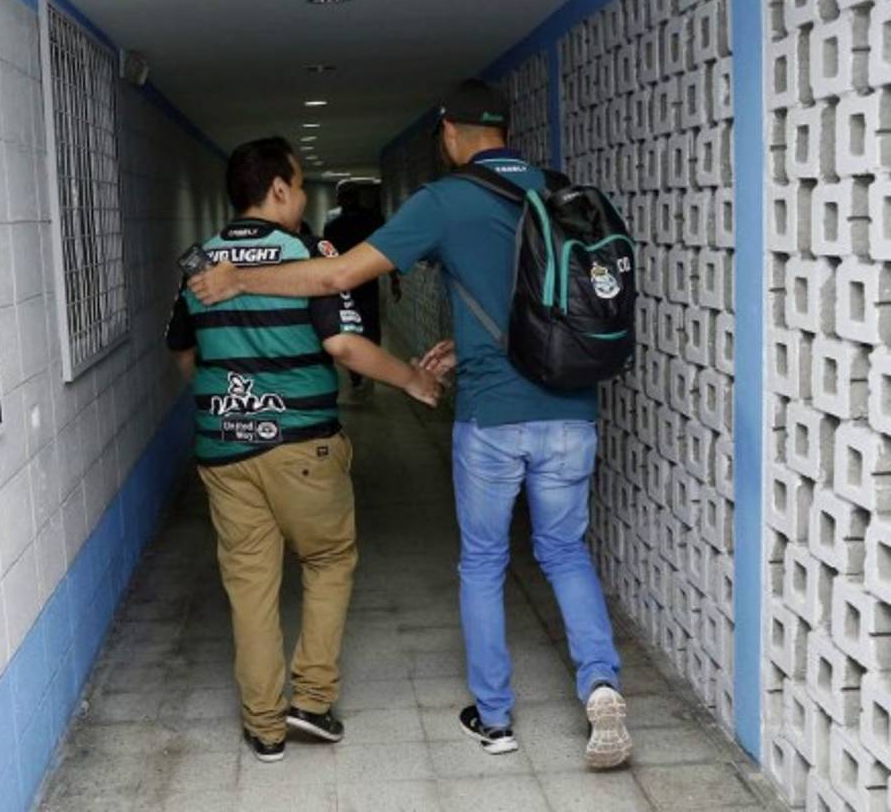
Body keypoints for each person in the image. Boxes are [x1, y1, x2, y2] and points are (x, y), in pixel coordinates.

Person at [187, 82, 633, 770]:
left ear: (451, 133)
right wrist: (467, 344)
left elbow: (337, 274)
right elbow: (542, 300)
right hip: (572, 411)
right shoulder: (558, 191)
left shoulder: (446, 199)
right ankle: (601, 685)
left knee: (484, 563)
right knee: (565, 552)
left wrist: (244, 281)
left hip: (491, 418)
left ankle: (494, 719)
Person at [166, 136, 443, 763]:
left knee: (250, 585)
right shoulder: (308, 257)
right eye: (297, 184)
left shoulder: (200, 264)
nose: (300, 198)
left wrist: (231, 396)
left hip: (224, 451)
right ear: (280, 189)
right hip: (304, 447)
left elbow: (184, 353)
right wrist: (410, 378)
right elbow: (344, 347)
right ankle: (312, 703)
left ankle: (264, 727)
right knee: (327, 562)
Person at [324, 182, 385, 393]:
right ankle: (372, 368)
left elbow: (328, 260)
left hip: (346, 286)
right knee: (371, 326)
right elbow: (388, 251)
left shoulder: (332, 227)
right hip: (369, 282)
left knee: (350, 328)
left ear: (340, 201)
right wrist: (395, 280)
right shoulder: (373, 220)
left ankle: (356, 374)